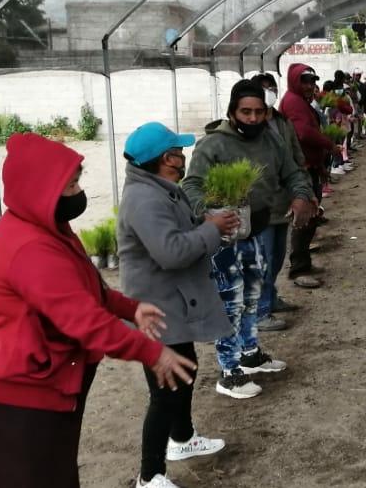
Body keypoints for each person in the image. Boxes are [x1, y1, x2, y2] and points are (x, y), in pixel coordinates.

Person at [0, 133, 193, 488]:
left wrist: (129, 308)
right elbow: (84, 321)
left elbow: (84, 287)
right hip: (14, 399)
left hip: (44, 389)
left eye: (76, 182)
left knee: (56, 474)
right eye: (70, 186)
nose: (79, 192)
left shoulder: (51, 229)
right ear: (40, 191)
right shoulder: (30, 248)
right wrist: (152, 353)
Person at [118, 123, 236, 488]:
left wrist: (207, 224)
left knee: (184, 371)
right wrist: (211, 229)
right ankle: (150, 476)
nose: (183, 157)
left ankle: (182, 439)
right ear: (167, 159)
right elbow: (171, 252)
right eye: (178, 152)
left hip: (171, 302)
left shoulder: (161, 190)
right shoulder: (145, 199)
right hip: (155, 310)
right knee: (165, 391)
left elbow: (181, 231)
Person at [182, 80, 314, 399]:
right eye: (246, 112)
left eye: (259, 112)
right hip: (222, 238)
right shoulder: (212, 145)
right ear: (232, 111)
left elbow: (293, 172)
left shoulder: (271, 139)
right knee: (230, 300)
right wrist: (207, 215)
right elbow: (191, 186)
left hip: (255, 229)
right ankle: (229, 372)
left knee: (253, 293)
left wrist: (301, 195)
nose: (253, 118)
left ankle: (250, 353)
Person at [249, 73, 310, 332]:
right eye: (263, 89)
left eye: (272, 87)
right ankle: (260, 311)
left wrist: (304, 188)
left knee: (276, 258)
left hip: (283, 201)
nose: (269, 93)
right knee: (263, 259)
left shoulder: (282, 122)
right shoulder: (252, 127)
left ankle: (271, 298)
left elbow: (295, 155)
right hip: (262, 205)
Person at [278, 64, 336, 287]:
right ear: (295, 81)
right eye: (305, 81)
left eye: (312, 81)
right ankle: (299, 269)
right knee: (304, 216)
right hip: (301, 168)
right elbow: (303, 133)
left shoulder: (300, 101)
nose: (310, 85)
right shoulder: (294, 101)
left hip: (308, 166)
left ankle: (303, 261)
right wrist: (329, 144)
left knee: (310, 215)